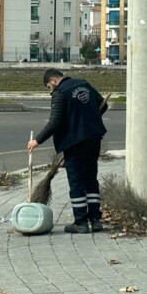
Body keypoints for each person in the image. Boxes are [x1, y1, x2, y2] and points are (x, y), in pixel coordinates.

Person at [26, 68, 108, 234]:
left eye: (49, 86)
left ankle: (81, 223)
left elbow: (54, 122)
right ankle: (95, 220)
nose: (51, 89)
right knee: (91, 178)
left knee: (77, 181)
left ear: (53, 81)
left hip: (74, 143)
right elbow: (103, 105)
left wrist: (37, 140)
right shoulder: (84, 83)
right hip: (94, 138)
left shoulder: (60, 93)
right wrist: (89, 117)